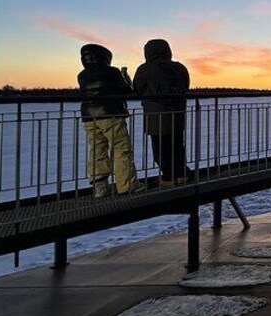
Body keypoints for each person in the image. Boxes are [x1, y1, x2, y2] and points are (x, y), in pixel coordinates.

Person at [77, 43, 141, 198]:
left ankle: (100, 187)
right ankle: (127, 186)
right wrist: (125, 78)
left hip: (89, 116)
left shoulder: (82, 75)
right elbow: (126, 91)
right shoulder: (112, 72)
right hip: (110, 114)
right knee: (121, 148)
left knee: (97, 149)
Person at [133, 39, 191, 186]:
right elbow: (185, 86)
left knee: (161, 149)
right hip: (177, 115)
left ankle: (167, 178)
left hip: (156, 116)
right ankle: (181, 175)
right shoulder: (179, 68)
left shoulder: (144, 69)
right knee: (177, 146)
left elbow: (138, 89)